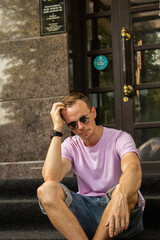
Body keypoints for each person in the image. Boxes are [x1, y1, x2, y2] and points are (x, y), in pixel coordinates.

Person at [37, 92, 145, 240]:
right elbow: (51, 177)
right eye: (73, 125)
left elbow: (133, 169)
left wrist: (121, 194)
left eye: (84, 119)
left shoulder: (120, 138)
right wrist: (57, 130)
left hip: (120, 213)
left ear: (93, 112)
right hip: (86, 210)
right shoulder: (71, 145)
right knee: (45, 190)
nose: (80, 127)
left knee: (127, 189)